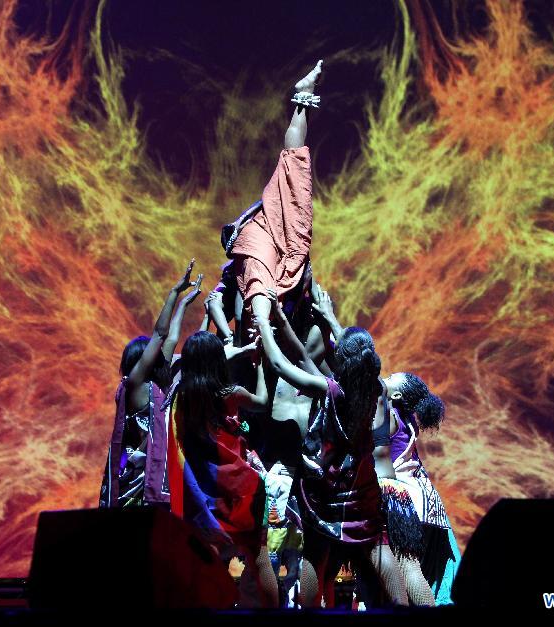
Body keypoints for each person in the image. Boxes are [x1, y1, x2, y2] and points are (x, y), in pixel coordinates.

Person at [255, 316, 406, 608]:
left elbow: (280, 365)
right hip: (362, 487)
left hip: (330, 490)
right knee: (378, 546)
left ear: (343, 359)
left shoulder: (332, 391)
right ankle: (401, 607)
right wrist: (285, 320)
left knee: (315, 554)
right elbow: (302, 355)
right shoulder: (376, 389)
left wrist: (264, 326)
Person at [166, 331, 279, 607]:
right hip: (246, 488)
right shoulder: (232, 394)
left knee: (208, 559)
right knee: (258, 556)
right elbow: (263, 401)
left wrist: (242, 350)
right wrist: (260, 363)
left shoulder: (183, 399)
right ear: (218, 360)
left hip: (208, 494)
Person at [99, 260, 202, 508]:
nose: (159, 356)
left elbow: (171, 338)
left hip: (157, 481)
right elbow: (161, 335)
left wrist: (184, 305)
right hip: (136, 482)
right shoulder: (134, 386)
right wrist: (174, 293)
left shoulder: (155, 386)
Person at [229, 60, 322, 329]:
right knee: (294, 165)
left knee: (294, 165)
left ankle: (304, 94)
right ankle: (304, 94)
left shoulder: (275, 249)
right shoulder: (261, 253)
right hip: (272, 236)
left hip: (277, 234)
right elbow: (259, 301)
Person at [386, 372, 460, 605]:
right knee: (411, 570)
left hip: (405, 498)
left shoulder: (388, 415)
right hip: (424, 501)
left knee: (407, 568)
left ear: (396, 394)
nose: (383, 379)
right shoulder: (407, 418)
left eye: (389, 377)